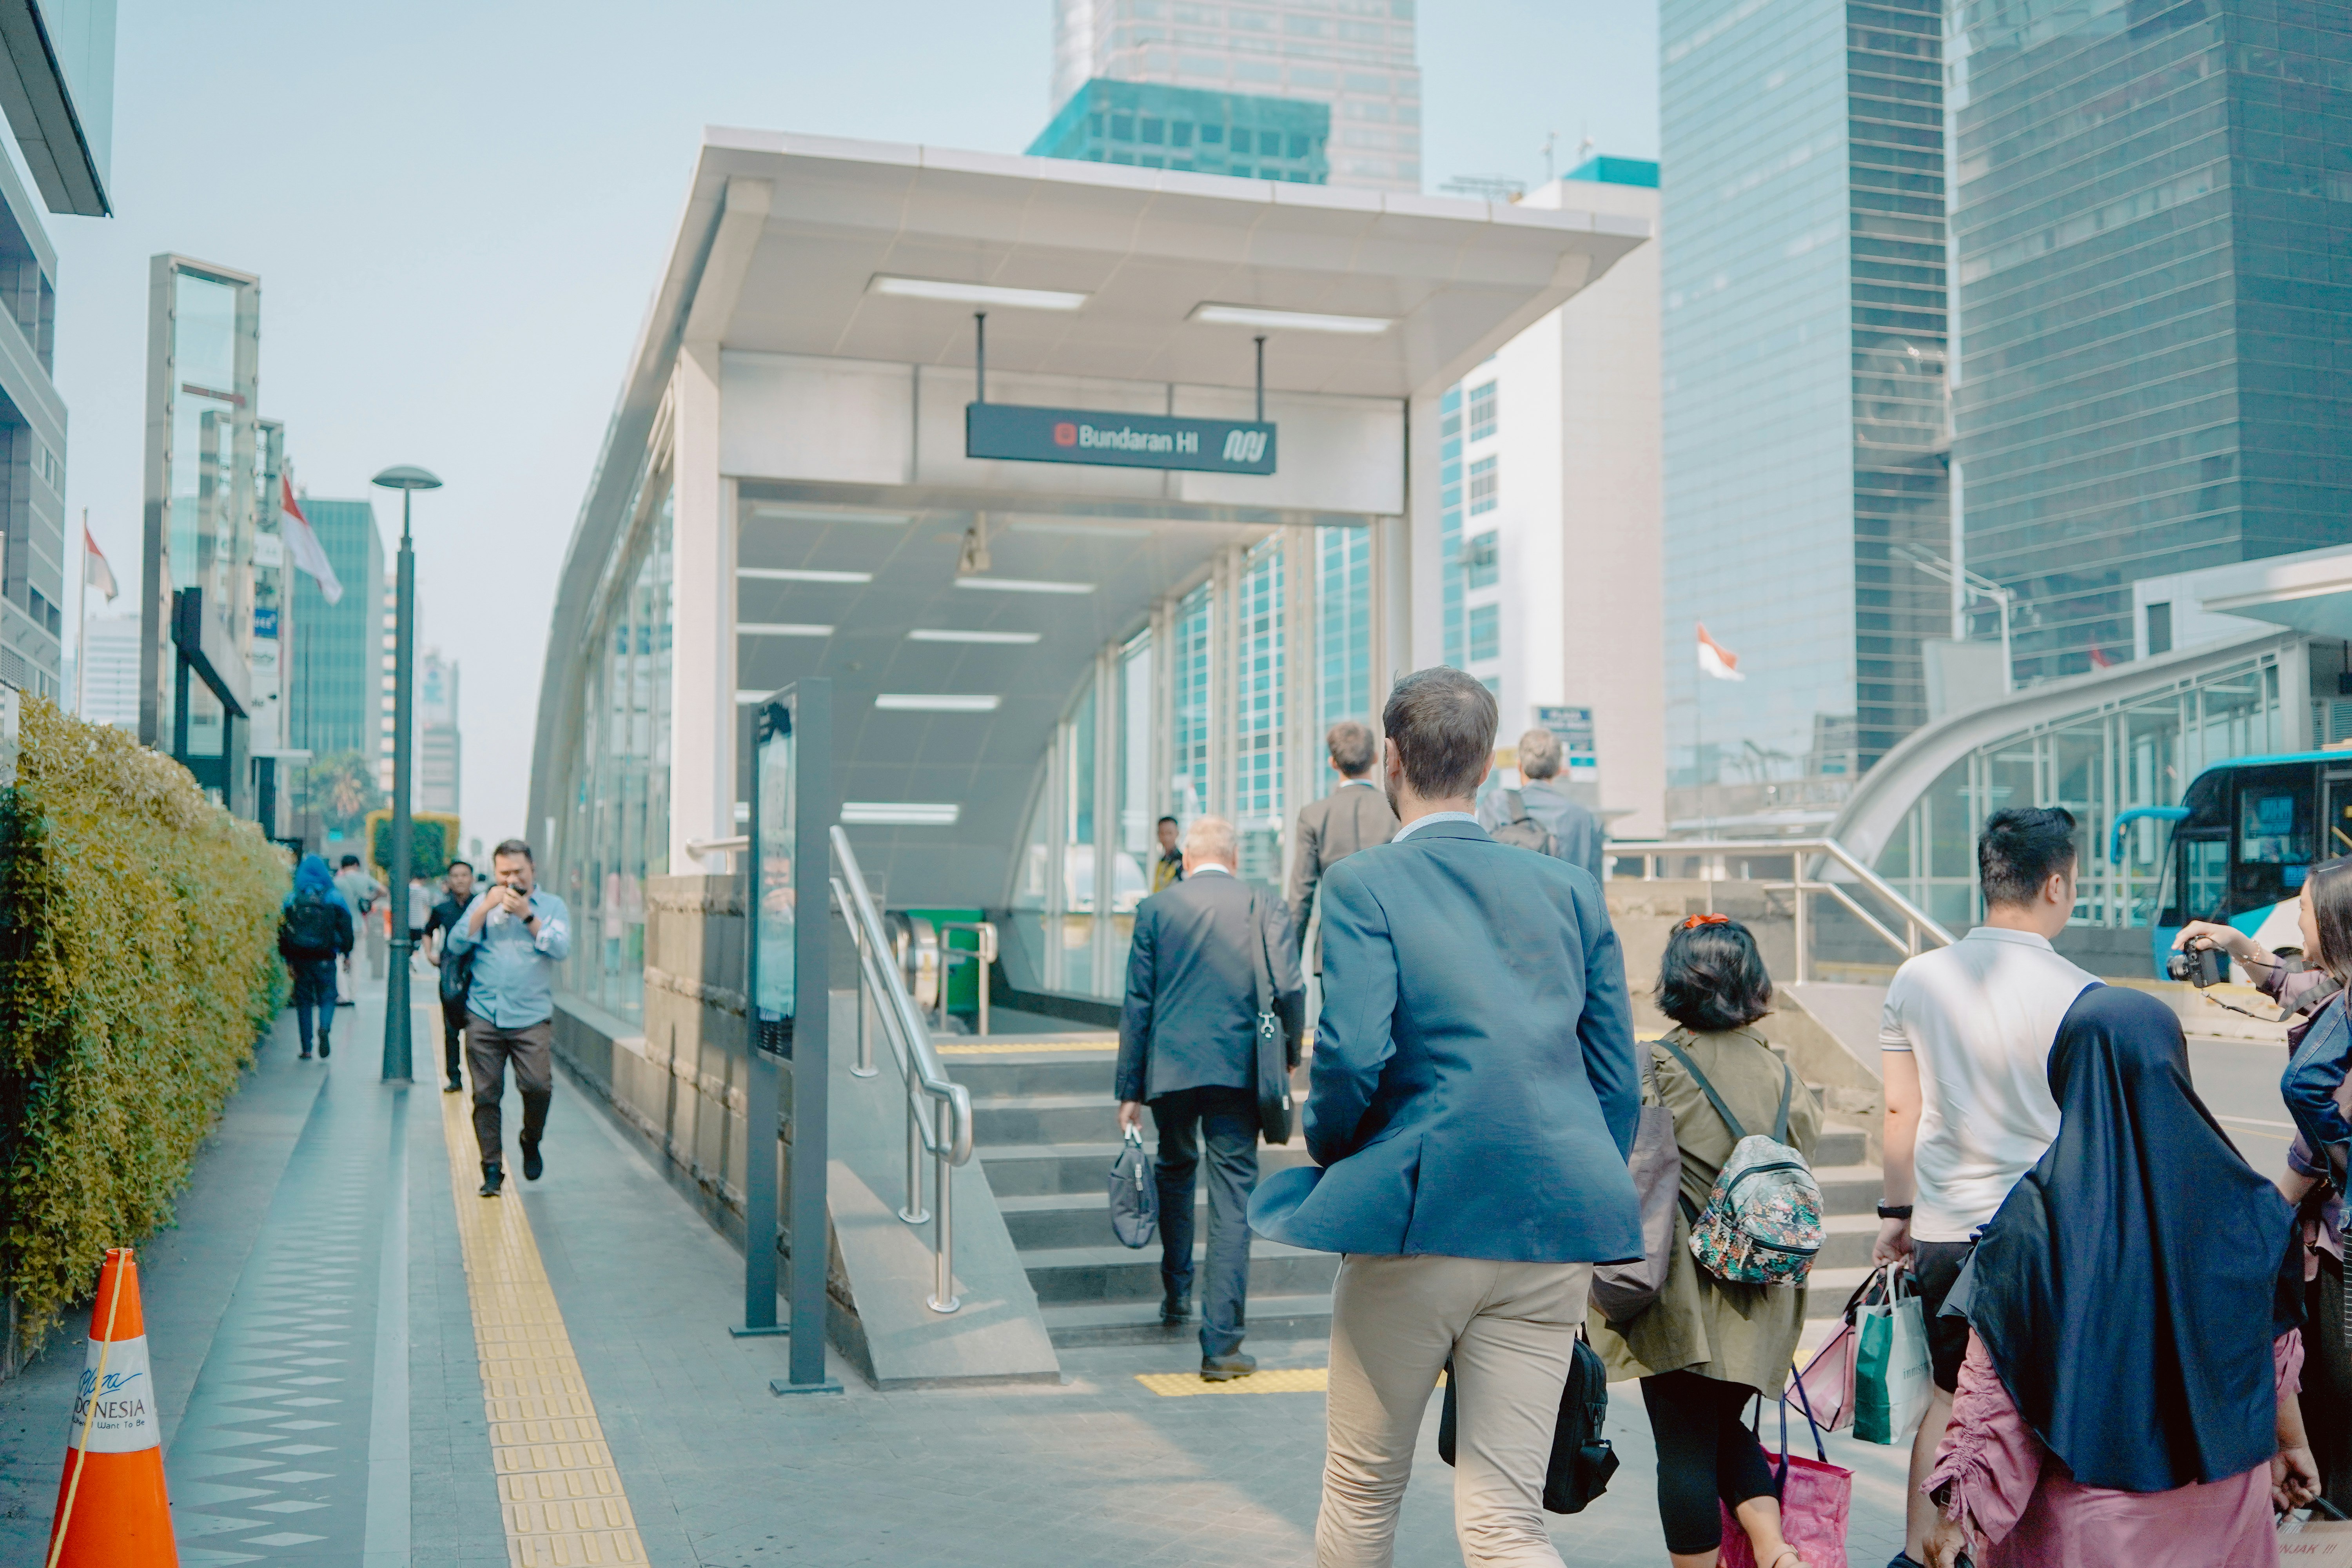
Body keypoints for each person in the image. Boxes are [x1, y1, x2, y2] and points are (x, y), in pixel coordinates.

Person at [1249, 666, 1642, 1568]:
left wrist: (1344, 1156)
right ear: (1484, 766)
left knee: (1360, 1496)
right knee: (1507, 1522)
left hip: (1417, 1216)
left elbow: (1352, 1056)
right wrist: (1568, 1174)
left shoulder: (1364, 885)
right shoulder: (1569, 891)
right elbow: (1618, 1078)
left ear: (1391, 758)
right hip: (1550, 1227)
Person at [1920, 985, 2317, 1568]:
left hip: (2092, 1517)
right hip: (2227, 1503)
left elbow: (1995, 1389)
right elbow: (2267, 1346)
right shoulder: (2247, 1203)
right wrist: (2290, 1443)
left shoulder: (2036, 1221)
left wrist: (1957, 1516)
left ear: (2069, 1072)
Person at [1873, 806, 2097, 1568]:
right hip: (2043, 1239)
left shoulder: (1916, 977)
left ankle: (1922, 1553)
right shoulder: (2085, 994)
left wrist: (1895, 1213)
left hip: (1943, 1226)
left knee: (1946, 1396)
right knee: (2038, 1408)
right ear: (2057, 883)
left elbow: (1902, 1109)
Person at [1589, 914, 1820, 1568]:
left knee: (1684, 1448)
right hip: (1760, 1294)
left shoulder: (1656, 1065)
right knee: (1725, 1432)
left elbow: (1620, 1163)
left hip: (1679, 1293)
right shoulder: (1784, 1075)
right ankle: (1776, 1552)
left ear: (1677, 982)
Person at [2175, 855, 2352, 1510]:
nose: (2295, 915)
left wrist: (2267, 1209)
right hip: (2325, 1238)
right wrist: (2237, 945)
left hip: (2338, 1249)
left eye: (2303, 907)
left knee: (2337, 1408)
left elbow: (2318, 1140)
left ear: (2332, 923)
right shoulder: (2334, 991)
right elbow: (2290, 985)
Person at [1115, 814, 1305, 1379]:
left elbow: (1137, 1005)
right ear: (1235, 859)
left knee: (1174, 1168)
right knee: (1232, 1198)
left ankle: (1176, 1294)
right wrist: (1289, 1052)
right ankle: (1222, 1346)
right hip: (1237, 1069)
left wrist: (1129, 1090)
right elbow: (1291, 987)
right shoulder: (1263, 905)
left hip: (1169, 1069)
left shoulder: (1155, 910)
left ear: (1189, 860)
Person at [445, 839, 572, 1197]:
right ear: (496, 873)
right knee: (485, 1094)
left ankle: (530, 1140)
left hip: (531, 1016)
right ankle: (491, 1169)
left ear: (533, 870)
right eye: (505, 874)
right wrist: (484, 908)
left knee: (538, 1087)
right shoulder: (484, 903)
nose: (512, 879)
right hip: (484, 1013)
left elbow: (561, 948)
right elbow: (455, 944)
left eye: (519, 872)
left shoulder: (552, 906)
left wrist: (527, 916)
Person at [1288, 720, 1399, 976]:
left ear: (1333, 763)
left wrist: (1289, 968)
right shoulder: (1397, 810)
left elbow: (1301, 897)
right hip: (1391, 948)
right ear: (1374, 758)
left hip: (1333, 950)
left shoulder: (1313, 815)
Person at [1477, 726, 1605, 885]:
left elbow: (1481, 866)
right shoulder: (1586, 820)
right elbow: (1595, 891)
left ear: (1520, 766)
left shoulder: (1496, 804)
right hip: (1564, 908)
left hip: (1507, 907)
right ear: (1559, 770)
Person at [279, 854, 354, 1061]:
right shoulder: (333, 896)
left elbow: (283, 931)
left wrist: (288, 960)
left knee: (304, 1002)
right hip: (326, 957)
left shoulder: (292, 898)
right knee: (328, 996)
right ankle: (325, 1027)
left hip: (300, 958)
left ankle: (307, 1049)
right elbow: (346, 928)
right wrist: (347, 954)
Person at [423, 859, 479, 1094]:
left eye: (465, 875)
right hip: (451, 972)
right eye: (455, 876)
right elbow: (428, 931)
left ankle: (480, 1079)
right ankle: (454, 1077)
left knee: (478, 1029)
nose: (460, 880)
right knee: (450, 1028)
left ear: (472, 878)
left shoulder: (482, 905)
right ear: (449, 881)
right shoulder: (442, 908)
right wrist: (430, 954)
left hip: (478, 971)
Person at [332, 853, 385, 1005]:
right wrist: (370, 900)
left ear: (342, 867)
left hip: (341, 927)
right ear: (356, 865)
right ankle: (353, 994)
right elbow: (383, 890)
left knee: (338, 960)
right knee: (356, 960)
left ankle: (343, 994)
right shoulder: (364, 879)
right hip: (360, 925)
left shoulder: (337, 882)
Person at [1149, 815, 1185, 894]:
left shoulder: (1183, 863)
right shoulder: (1161, 862)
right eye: (1162, 833)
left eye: (1170, 833)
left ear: (1177, 834)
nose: (1166, 838)